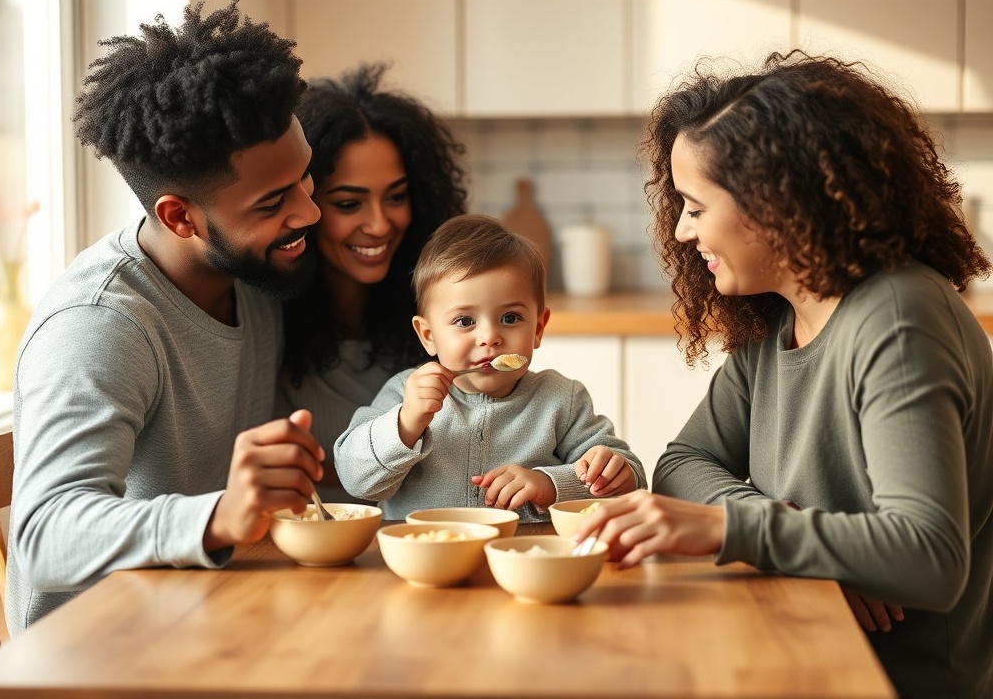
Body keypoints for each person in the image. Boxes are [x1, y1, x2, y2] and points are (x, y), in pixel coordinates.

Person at [575, 51, 993, 698]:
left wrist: (728, 528)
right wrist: (790, 537)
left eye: (695, 205)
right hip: (797, 645)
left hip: (894, 682)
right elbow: (685, 461)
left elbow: (927, 557)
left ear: (773, 202)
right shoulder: (777, 317)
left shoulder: (899, 318)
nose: (683, 231)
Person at [7, 1, 326, 632]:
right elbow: (43, 536)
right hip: (98, 660)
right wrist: (220, 516)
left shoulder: (253, 277)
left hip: (207, 623)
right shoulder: (99, 324)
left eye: (305, 179)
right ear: (180, 217)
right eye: (273, 202)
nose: (308, 213)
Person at [333, 214, 647, 521]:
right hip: (428, 560)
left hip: (524, 560)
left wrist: (549, 485)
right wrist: (405, 424)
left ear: (538, 328)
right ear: (428, 336)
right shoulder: (404, 394)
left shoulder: (562, 400)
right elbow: (356, 479)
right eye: (464, 321)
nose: (490, 337)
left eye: (510, 318)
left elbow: (629, 480)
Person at [276, 63, 468, 503]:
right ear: (303, 204)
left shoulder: (445, 311)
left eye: (397, 197)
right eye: (349, 203)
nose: (380, 224)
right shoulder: (267, 313)